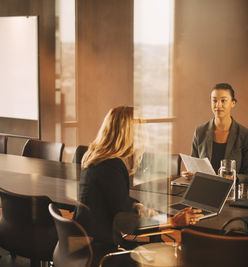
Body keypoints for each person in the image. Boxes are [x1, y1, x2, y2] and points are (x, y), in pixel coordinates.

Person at [73, 106, 203, 266]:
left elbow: (116, 200)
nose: (144, 136)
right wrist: (173, 221)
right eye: (140, 131)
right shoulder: (112, 166)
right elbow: (129, 224)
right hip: (102, 251)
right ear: (127, 133)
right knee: (174, 257)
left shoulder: (95, 158)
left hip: (84, 243)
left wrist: (138, 205)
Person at [190, 83, 248, 183]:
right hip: (204, 188)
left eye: (223, 101)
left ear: (233, 103)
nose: (218, 105)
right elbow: (194, 167)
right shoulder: (200, 131)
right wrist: (191, 174)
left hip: (231, 192)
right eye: (214, 100)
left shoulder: (244, 134)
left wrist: (234, 178)